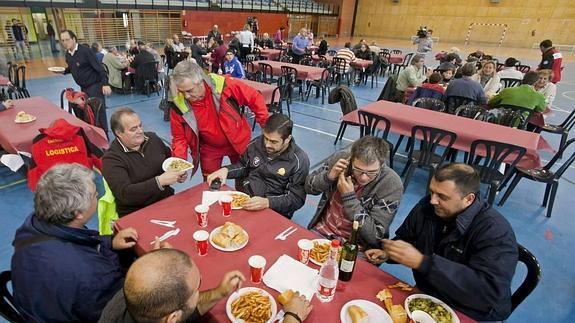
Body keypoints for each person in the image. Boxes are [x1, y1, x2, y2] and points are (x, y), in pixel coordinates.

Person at [366, 163, 518, 321]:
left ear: (469, 199)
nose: (433, 200)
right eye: (432, 192)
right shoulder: (426, 209)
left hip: (469, 310)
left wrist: (423, 262)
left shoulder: (495, 231)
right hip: (428, 296)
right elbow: (407, 239)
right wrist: (389, 253)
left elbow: (489, 292)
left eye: (442, 197)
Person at [11, 163, 140, 322]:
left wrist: (109, 242)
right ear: (78, 213)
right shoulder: (90, 273)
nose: (98, 195)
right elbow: (118, 312)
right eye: (94, 194)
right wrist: (149, 270)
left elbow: (78, 242)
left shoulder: (32, 226)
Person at [99, 248, 313, 323]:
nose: (201, 289)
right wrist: (292, 317)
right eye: (197, 289)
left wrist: (219, 292)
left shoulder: (135, 295)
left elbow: (184, 310)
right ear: (173, 318)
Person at [169, 60, 269, 178]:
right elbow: (179, 138)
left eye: (189, 90)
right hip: (210, 148)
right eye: (181, 91)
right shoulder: (178, 105)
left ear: (201, 81)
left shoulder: (224, 85)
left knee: (246, 181)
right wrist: (180, 165)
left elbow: (254, 97)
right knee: (210, 183)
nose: (186, 96)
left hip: (239, 141)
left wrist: (265, 125)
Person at [306, 136, 403, 251]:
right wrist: (329, 177)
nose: (363, 177)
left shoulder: (391, 184)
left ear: (381, 165)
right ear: (351, 159)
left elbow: (375, 236)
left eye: (372, 172)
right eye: (358, 169)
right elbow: (309, 187)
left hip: (356, 247)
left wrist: (349, 198)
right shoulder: (340, 159)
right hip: (322, 231)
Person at [207, 114, 310, 219]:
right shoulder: (256, 144)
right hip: (248, 201)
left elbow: (296, 198)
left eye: (274, 142)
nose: (267, 145)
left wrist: (267, 202)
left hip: (275, 212)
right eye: (266, 138)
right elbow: (243, 166)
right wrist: (225, 170)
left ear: (287, 139)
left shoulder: (299, 161)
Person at [103, 108, 187, 217]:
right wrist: (159, 182)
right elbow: (125, 194)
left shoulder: (153, 138)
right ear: (119, 133)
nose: (140, 131)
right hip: (136, 212)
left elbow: (169, 161)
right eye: (133, 129)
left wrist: (178, 174)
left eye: (140, 125)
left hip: (166, 200)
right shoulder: (111, 159)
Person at [60, 29, 111, 135]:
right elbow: (72, 67)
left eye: (67, 40)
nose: (65, 43)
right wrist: (64, 71)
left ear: (74, 39)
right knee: (89, 112)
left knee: (99, 112)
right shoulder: (68, 54)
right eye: (63, 40)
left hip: (95, 86)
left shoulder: (85, 51)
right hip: (84, 88)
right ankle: (95, 134)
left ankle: (104, 136)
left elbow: (99, 67)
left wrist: (105, 84)